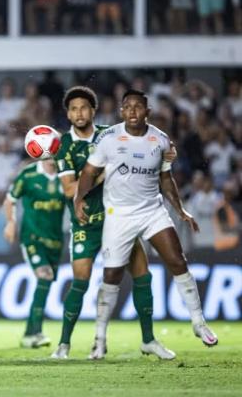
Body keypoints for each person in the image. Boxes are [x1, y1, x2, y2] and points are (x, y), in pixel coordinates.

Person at [75, 89, 218, 352]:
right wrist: (78, 199)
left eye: (137, 107)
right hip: (119, 215)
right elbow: (89, 171)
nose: (132, 111)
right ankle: (99, 339)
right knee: (112, 275)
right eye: (127, 106)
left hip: (152, 211)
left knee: (177, 260)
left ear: (147, 111)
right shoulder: (108, 138)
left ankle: (199, 322)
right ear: (121, 111)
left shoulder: (160, 141)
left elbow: (166, 179)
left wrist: (181, 210)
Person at [52, 86, 176, 359]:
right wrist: (101, 174)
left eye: (84, 107)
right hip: (86, 224)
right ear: (68, 114)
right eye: (73, 109)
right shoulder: (64, 146)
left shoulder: (112, 135)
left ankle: (149, 340)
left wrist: (168, 154)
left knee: (143, 276)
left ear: (93, 111)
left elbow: (151, 147)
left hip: (119, 219)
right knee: (80, 282)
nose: (79, 113)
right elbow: (68, 190)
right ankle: (63, 345)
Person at [3, 158, 65, 348]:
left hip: (55, 240)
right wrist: (11, 222)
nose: (51, 155)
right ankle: (34, 333)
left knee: (45, 283)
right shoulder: (29, 174)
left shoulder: (67, 173)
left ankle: (30, 333)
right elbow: (10, 200)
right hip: (32, 238)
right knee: (44, 277)